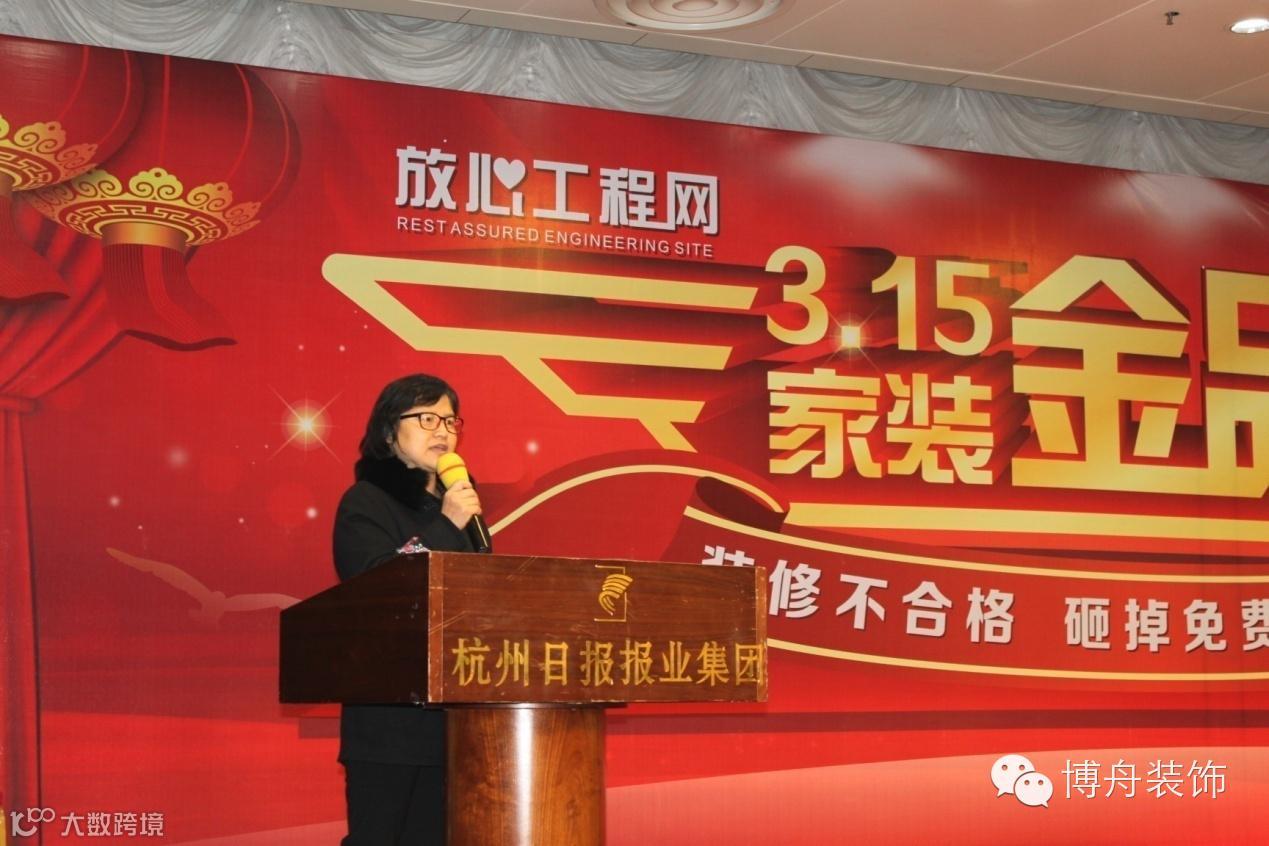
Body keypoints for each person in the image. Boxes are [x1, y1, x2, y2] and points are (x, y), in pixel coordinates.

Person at [332, 373, 485, 845]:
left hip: (453, 726)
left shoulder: (459, 507)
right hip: (388, 727)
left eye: (450, 420)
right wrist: (447, 526)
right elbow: (377, 588)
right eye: (426, 418)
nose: (443, 430)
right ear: (387, 432)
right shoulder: (366, 502)